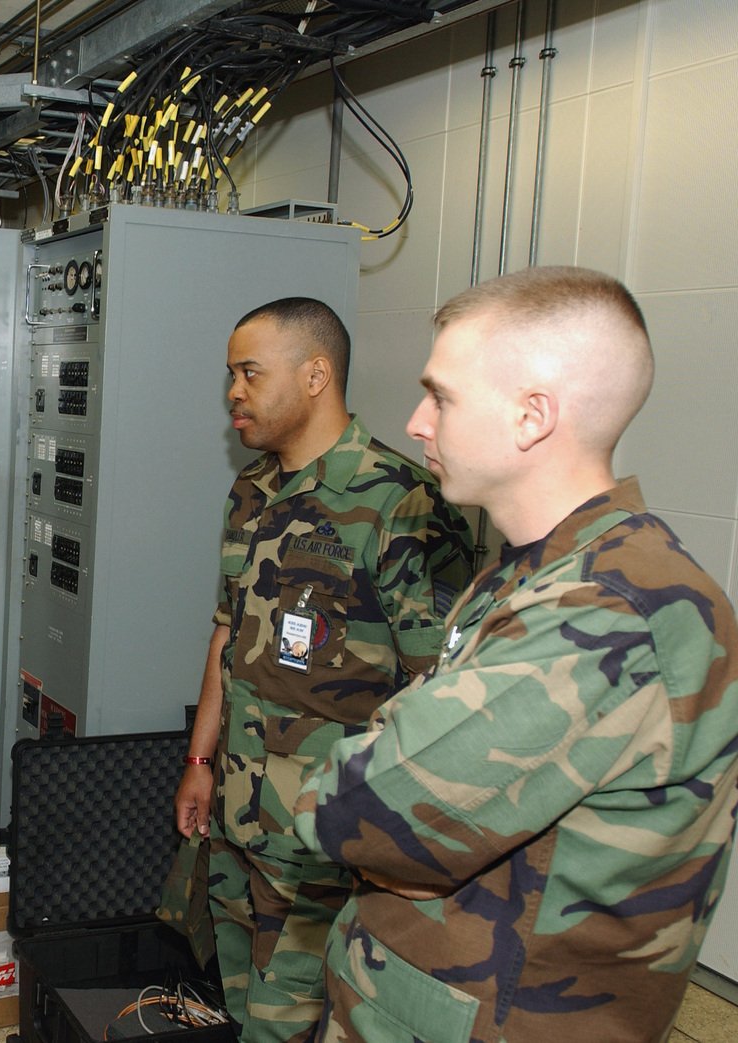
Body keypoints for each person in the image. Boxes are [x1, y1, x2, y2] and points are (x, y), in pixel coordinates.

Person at [292, 267, 738, 1042]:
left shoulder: (610, 608)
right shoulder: (535, 571)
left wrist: (373, 752)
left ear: (532, 416)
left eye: (443, 396)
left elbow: (355, 807)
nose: (417, 420)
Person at [173, 297, 471, 1042]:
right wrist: (199, 759)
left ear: (315, 375)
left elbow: (442, 689)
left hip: (323, 840)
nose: (233, 392)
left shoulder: (403, 502)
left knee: (289, 1024)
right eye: (230, 374)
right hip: (239, 818)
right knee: (241, 1004)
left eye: (249, 372)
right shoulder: (252, 490)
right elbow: (224, 631)